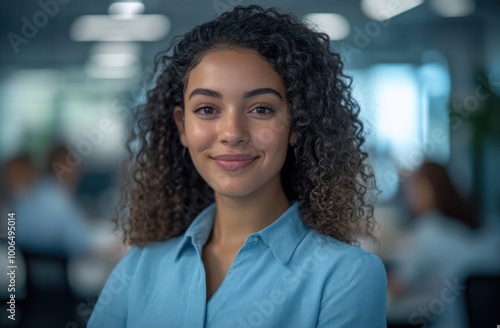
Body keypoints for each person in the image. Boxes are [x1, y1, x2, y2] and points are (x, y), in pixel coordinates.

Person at [88, 6, 387, 327]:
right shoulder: (139, 267)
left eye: (261, 108)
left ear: (297, 124)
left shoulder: (345, 276)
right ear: (182, 127)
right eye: (206, 109)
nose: (232, 133)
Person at [388, 162, 499, 328]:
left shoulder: (429, 230)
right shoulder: (491, 228)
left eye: (413, 186)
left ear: (428, 188)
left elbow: (396, 287)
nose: (409, 194)